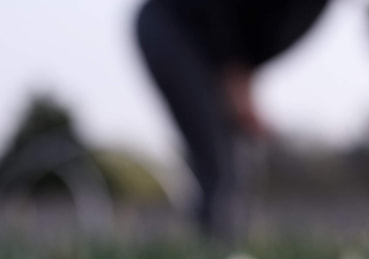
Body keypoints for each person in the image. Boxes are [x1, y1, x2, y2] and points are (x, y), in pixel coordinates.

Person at [135, 0, 331, 236]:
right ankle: (210, 250)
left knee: (240, 158)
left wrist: (242, 77)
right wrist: (232, 69)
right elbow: (219, 11)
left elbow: (252, 30)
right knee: (220, 160)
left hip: (213, 51)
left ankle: (226, 242)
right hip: (177, 27)